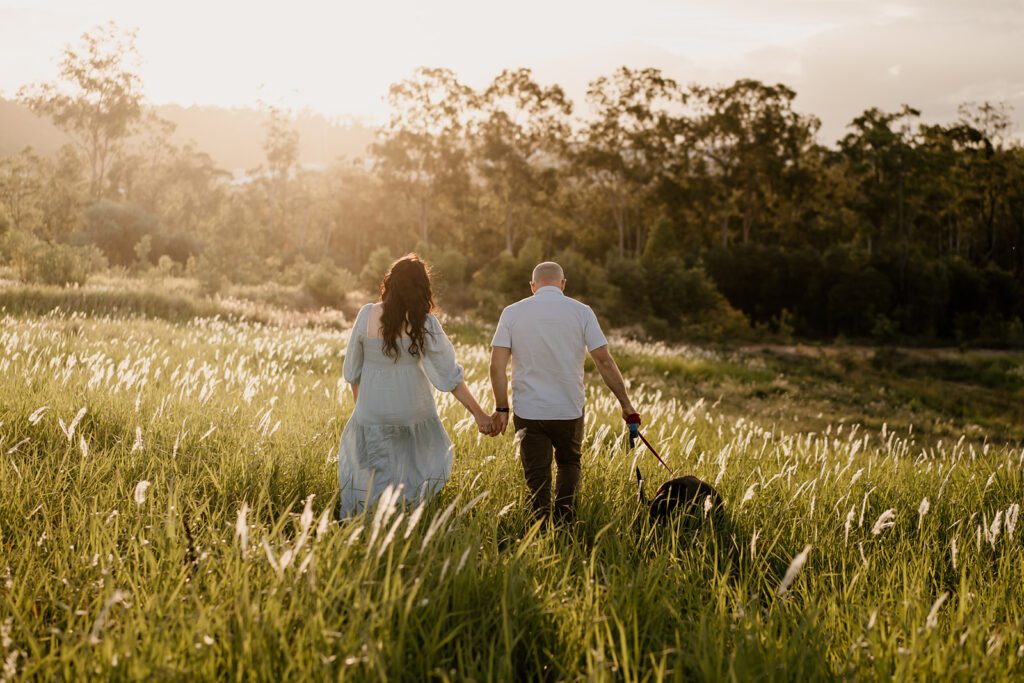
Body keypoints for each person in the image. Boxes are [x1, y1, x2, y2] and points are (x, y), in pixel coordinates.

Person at [337, 254, 495, 517]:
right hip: (413, 409)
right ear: (422, 288)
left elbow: (353, 371)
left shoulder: (366, 314)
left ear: (390, 283)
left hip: (372, 411)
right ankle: (405, 520)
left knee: (375, 473)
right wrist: (479, 415)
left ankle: (373, 525)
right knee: (411, 473)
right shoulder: (426, 322)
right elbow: (450, 376)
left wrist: (363, 409)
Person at [489, 261, 638, 523]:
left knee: (537, 474)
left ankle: (540, 528)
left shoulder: (512, 313)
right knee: (569, 463)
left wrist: (501, 408)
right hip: (568, 409)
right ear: (563, 284)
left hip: (529, 410)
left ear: (532, 286)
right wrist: (626, 404)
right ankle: (564, 523)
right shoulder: (582, 312)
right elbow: (604, 361)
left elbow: (496, 366)